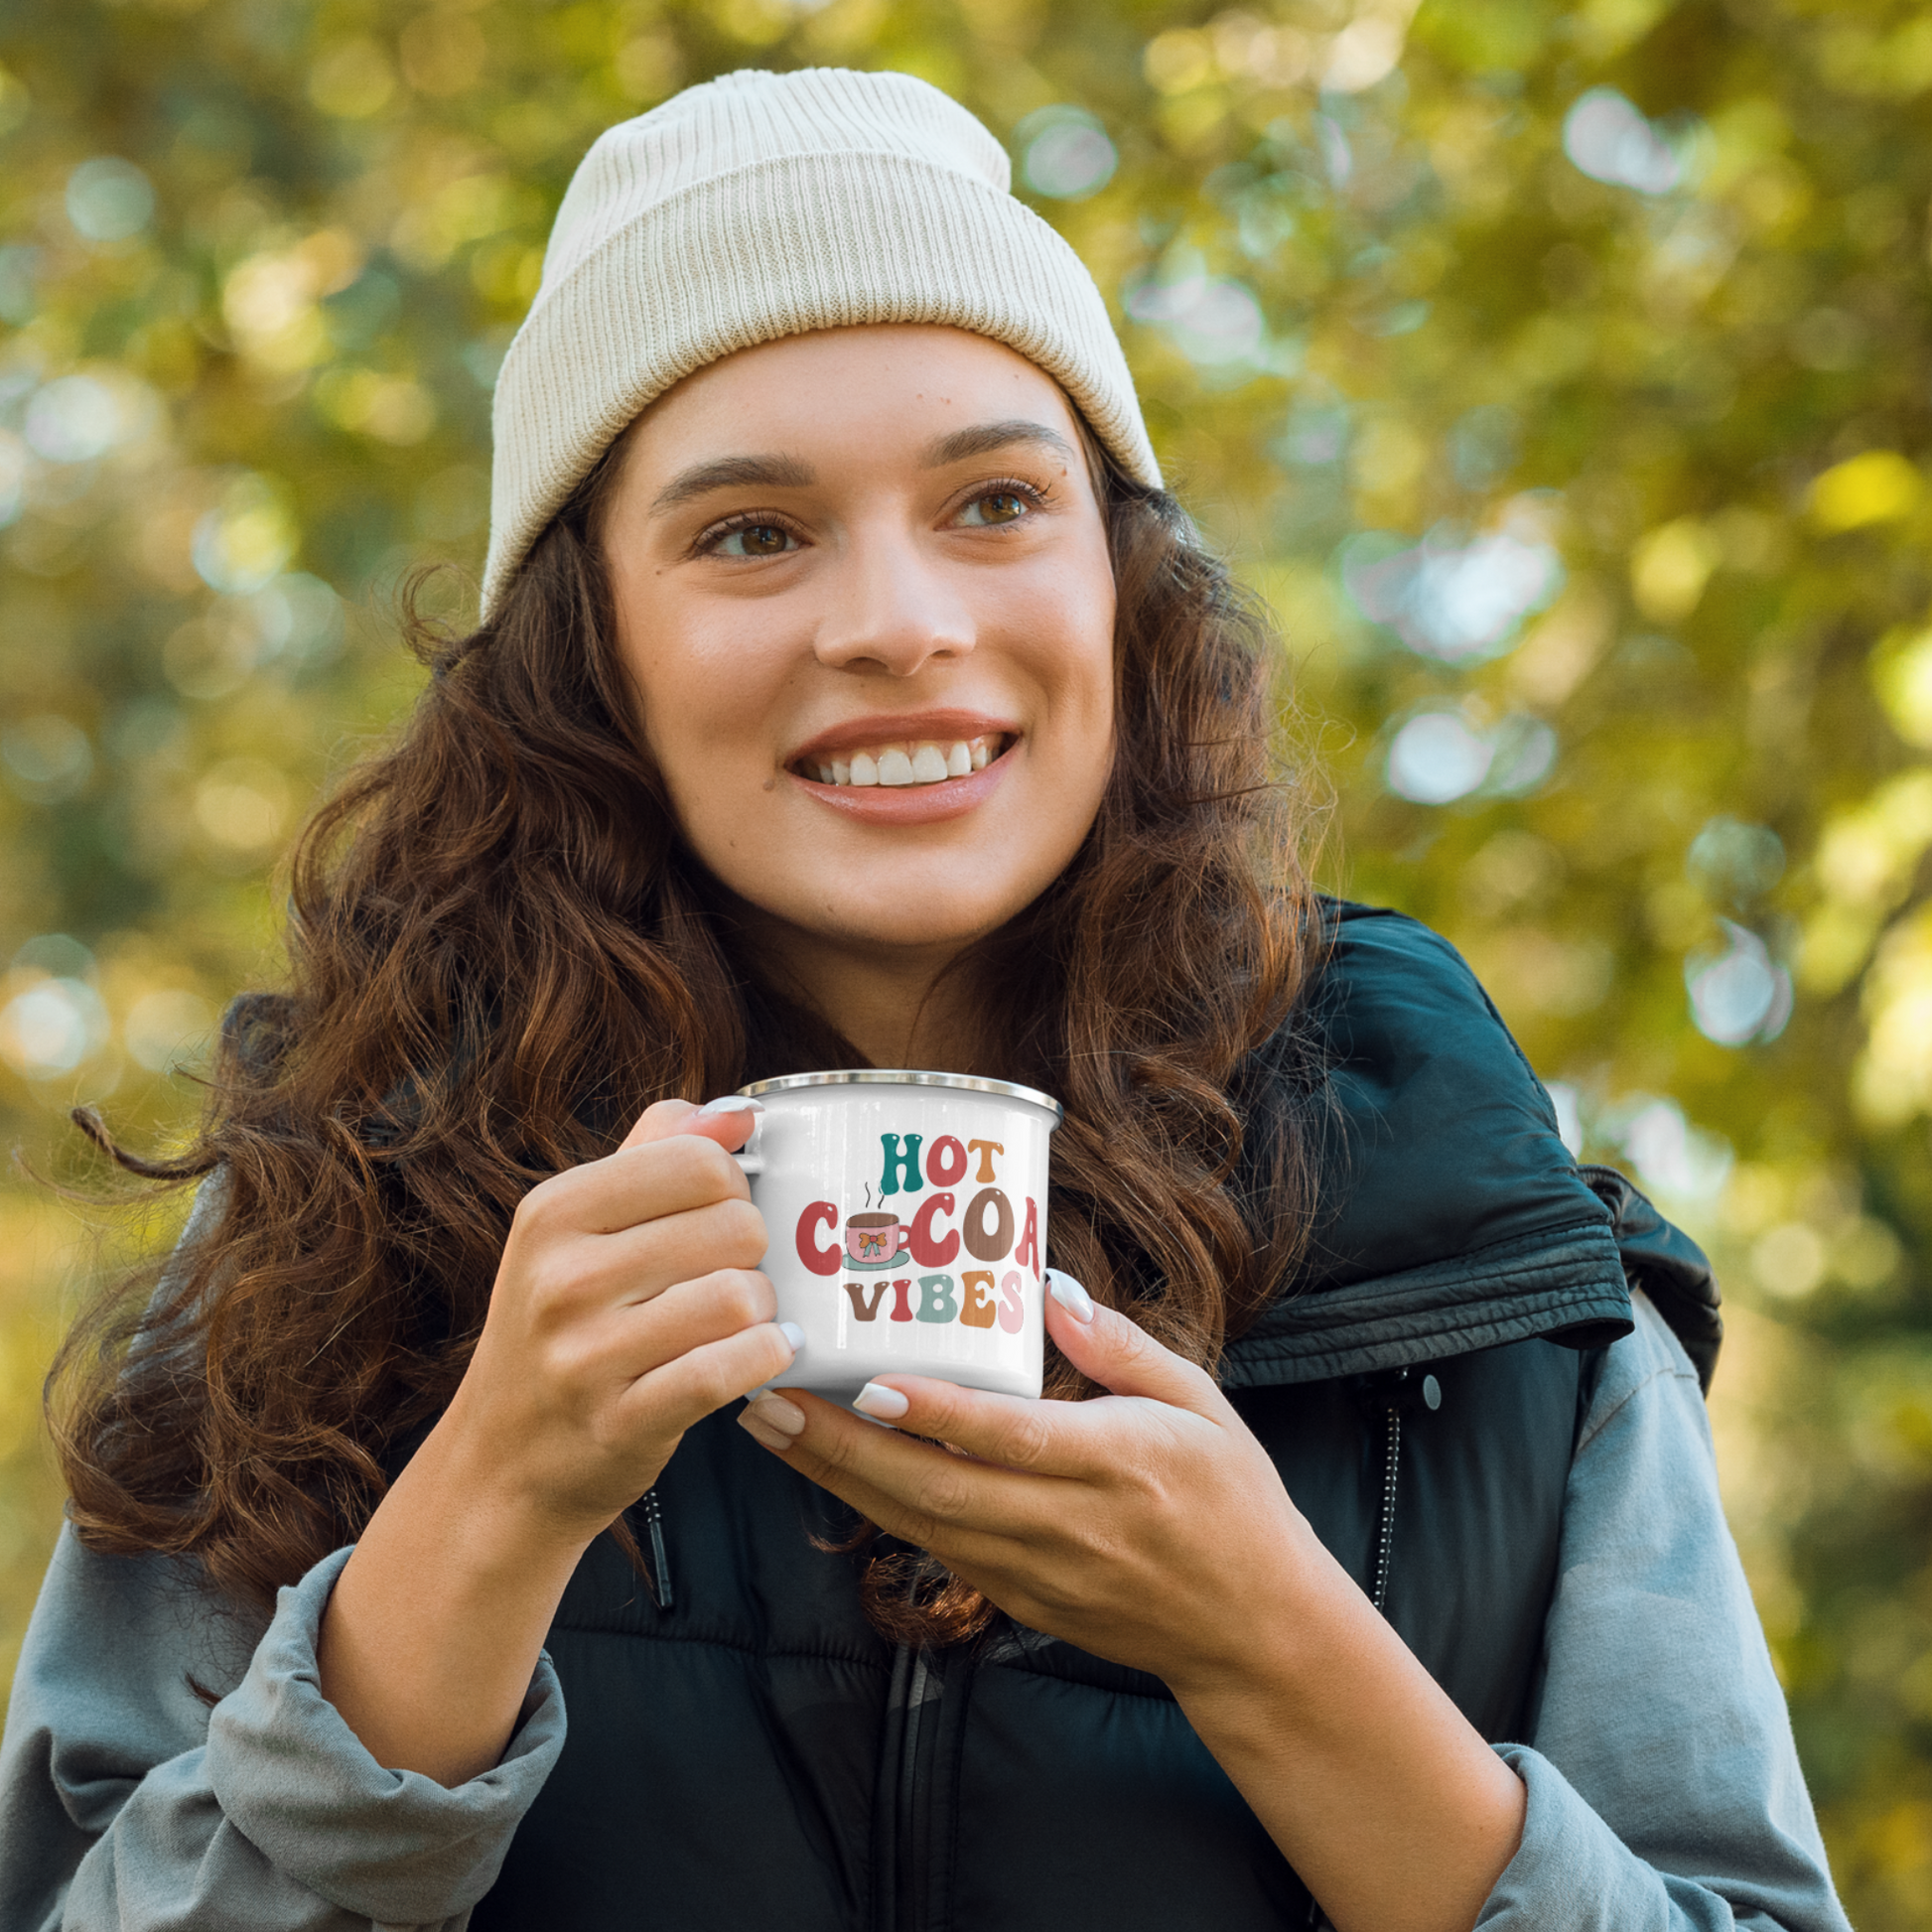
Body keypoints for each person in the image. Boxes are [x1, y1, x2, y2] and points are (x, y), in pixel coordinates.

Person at [0, 67, 1849, 1932]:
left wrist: (1280, 1648)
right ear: (590, 648)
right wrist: (481, 1509)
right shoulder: (323, 1233)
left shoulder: (1479, 1241)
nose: (893, 620)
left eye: (992, 501)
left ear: (1119, 591)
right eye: (750, 533)